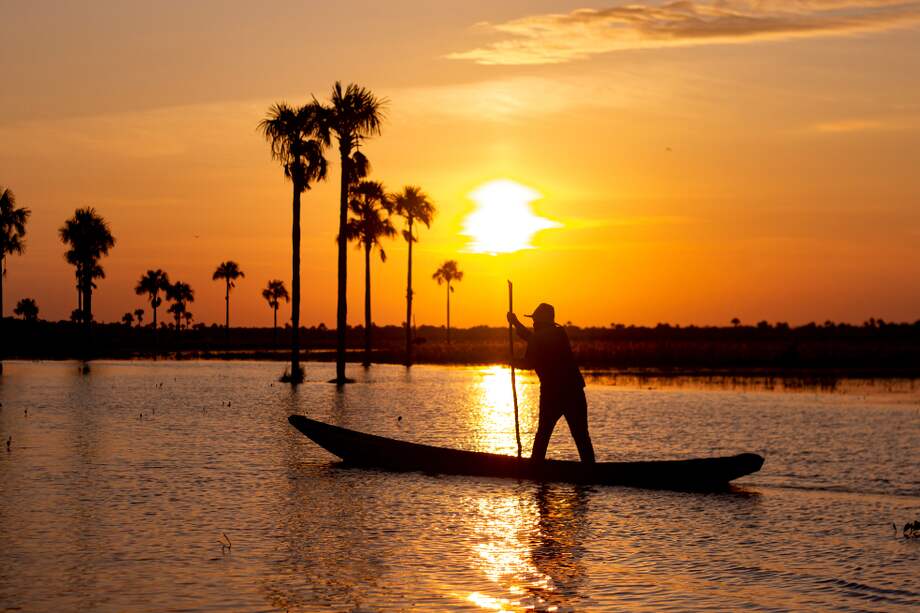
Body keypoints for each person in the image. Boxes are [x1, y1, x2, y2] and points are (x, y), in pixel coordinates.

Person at [508, 303, 595, 463]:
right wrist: (516, 323)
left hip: (552, 394)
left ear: (541, 322)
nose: (534, 323)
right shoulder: (559, 333)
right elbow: (534, 339)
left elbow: (529, 361)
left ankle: (535, 467)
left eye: (535, 320)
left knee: (543, 434)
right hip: (574, 391)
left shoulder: (540, 337)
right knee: (581, 435)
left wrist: (513, 362)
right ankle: (590, 468)